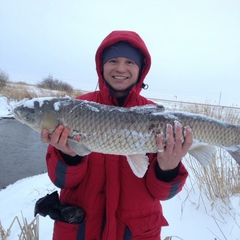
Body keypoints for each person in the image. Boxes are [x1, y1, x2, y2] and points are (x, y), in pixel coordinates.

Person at [40, 30, 193, 240]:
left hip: (137, 233)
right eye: (113, 60)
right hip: (80, 231)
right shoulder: (74, 110)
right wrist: (69, 156)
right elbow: (60, 180)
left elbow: (164, 194)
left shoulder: (157, 116)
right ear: (101, 65)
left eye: (130, 62)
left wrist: (168, 167)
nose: (121, 68)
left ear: (141, 69)